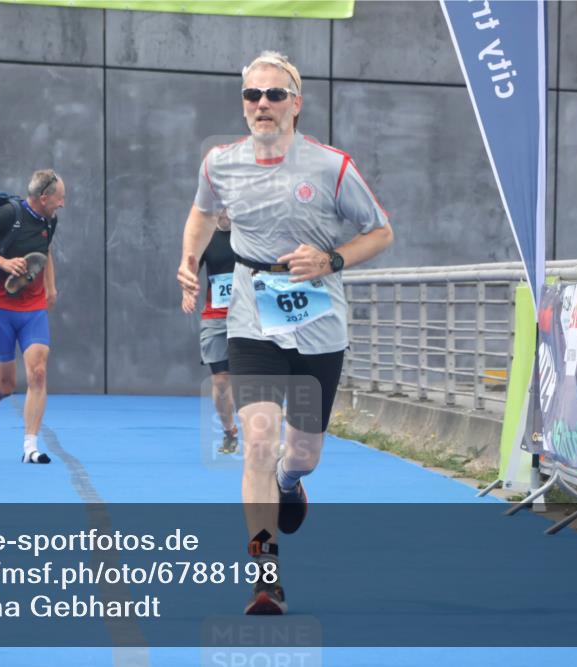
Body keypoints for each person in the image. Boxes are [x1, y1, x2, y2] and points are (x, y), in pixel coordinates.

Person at [177, 51, 393, 615]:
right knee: (258, 441)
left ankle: (291, 483)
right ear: (243, 104)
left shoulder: (331, 166)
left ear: (297, 103)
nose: (263, 105)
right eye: (253, 96)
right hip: (251, 320)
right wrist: (187, 258)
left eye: (275, 95)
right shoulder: (220, 164)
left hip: (318, 324)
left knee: (302, 453)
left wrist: (331, 260)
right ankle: (265, 575)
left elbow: (380, 232)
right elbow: (203, 213)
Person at [0, 169, 64, 464]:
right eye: (60, 198)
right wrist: (4, 263)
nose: (62, 203)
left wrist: (51, 286)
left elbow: (46, 250)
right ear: (44, 198)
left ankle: (30, 446)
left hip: (33, 309)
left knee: (39, 372)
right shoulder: (9, 214)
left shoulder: (50, 220)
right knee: (5, 386)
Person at [181, 210, 238, 454]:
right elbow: (190, 268)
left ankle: (263, 432)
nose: (225, 211)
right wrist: (188, 290)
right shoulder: (206, 237)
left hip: (251, 315)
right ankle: (229, 431)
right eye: (220, 206)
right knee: (222, 382)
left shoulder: (248, 235)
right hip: (216, 317)